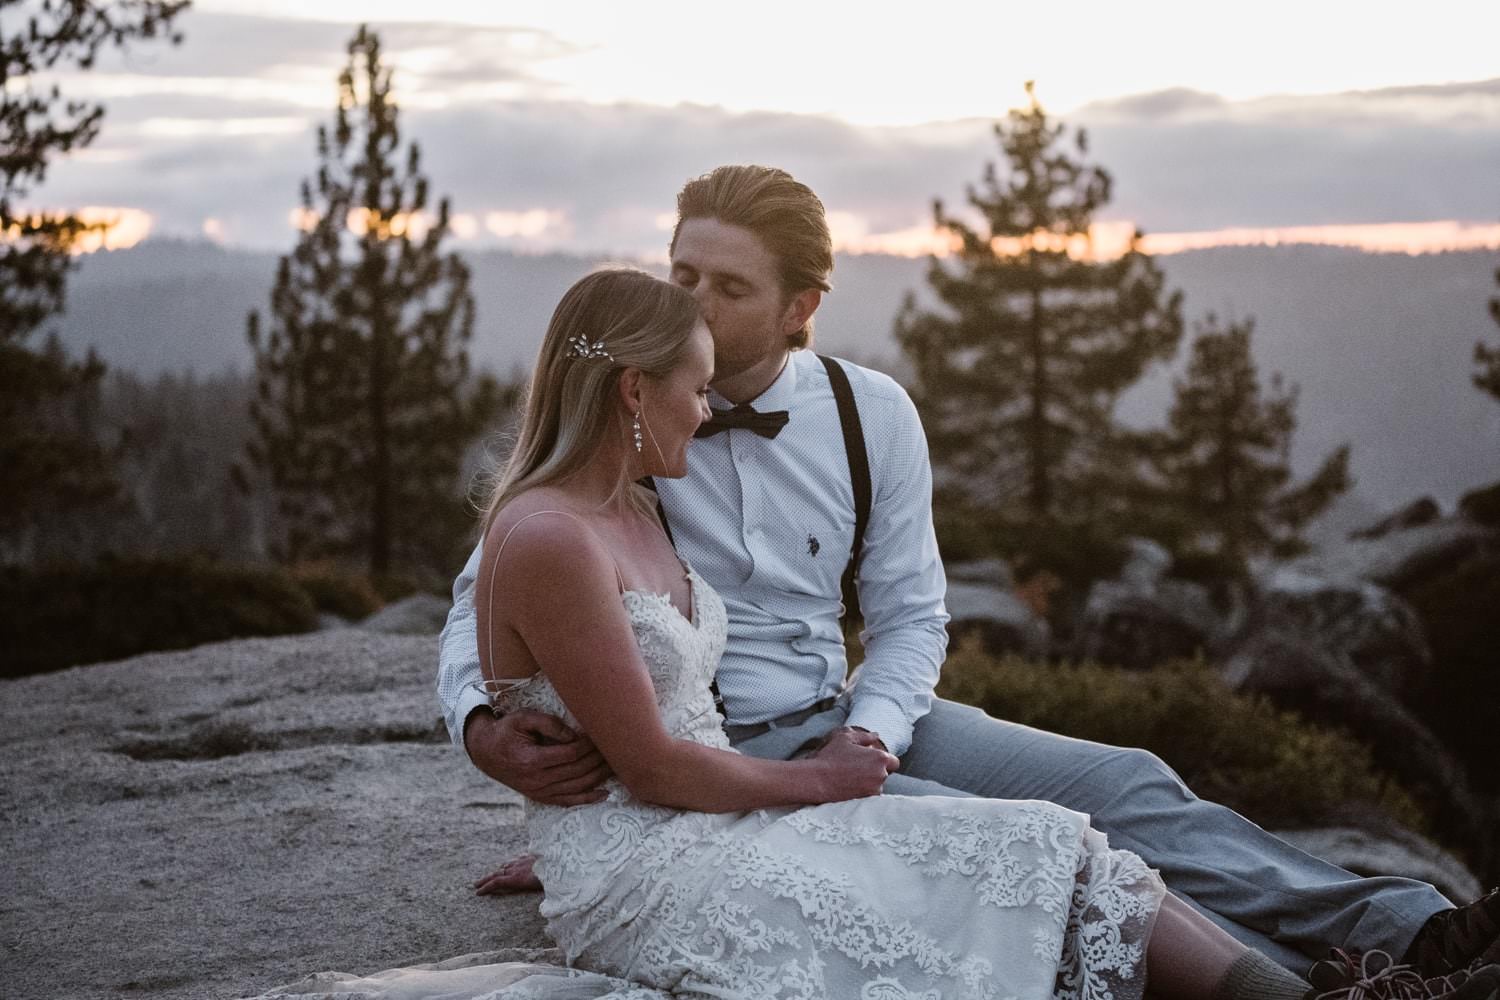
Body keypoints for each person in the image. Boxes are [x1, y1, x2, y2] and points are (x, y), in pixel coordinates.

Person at [437, 166, 1499, 983]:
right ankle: (1324, 987)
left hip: (846, 711)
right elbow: (488, 595)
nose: (693, 301)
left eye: (727, 286)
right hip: (720, 755)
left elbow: (912, 612)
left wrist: (877, 729)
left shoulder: (869, 413)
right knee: (1031, 860)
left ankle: (1421, 930)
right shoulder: (625, 420)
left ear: (801, 305)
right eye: (681, 275)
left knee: (1126, 782)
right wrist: (484, 728)